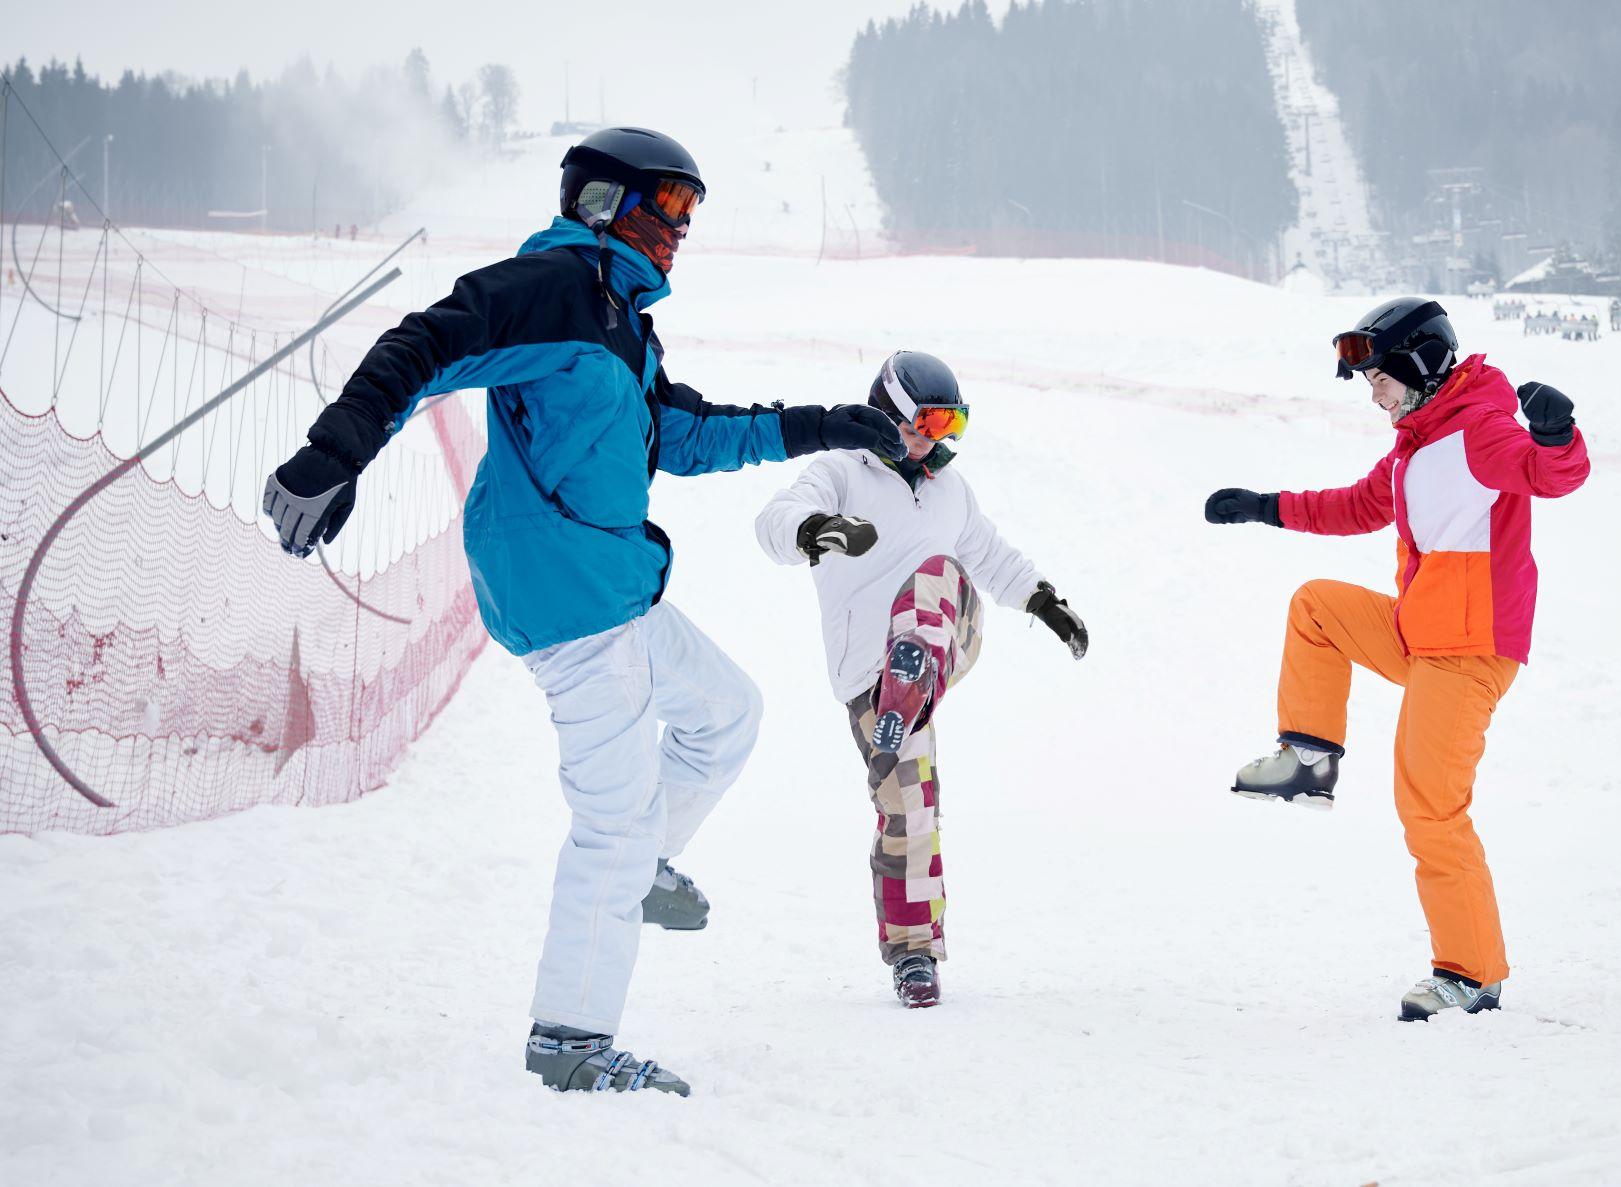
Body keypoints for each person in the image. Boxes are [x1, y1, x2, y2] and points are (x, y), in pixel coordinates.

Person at [261, 127, 905, 1096]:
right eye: (668, 204)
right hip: (566, 594)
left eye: (694, 209)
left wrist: (819, 424)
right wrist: (337, 449)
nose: (682, 228)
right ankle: (572, 1037)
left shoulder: (619, 321)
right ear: (603, 201)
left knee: (726, 713)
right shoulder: (558, 287)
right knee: (612, 819)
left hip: (611, 584)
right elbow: (428, 342)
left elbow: (682, 433)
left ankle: (644, 867)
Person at [1203, 298, 1589, 1022]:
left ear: (1419, 365)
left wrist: (1558, 431)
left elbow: (1551, 473)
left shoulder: (1481, 428)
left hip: (1470, 648)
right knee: (1316, 605)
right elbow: (1355, 506)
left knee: (1430, 806)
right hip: (1421, 632)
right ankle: (1308, 759)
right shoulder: (1417, 443)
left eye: (1379, 376)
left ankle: (1470, 973)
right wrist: (1265, 505)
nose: (1372, 391)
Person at [753, 351, 1088, 1008]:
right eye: (926, 420)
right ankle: (913, 953)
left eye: (949, 424)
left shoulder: (949, 493)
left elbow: (991, 556)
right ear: (888, 411)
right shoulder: (841, 472)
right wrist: (816, 531)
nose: (936, 437)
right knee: (909, 810)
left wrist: (1045, 602)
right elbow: (773, 521)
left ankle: (912, 672)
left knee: (938, 571)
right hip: (870, 680)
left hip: (942, 634)